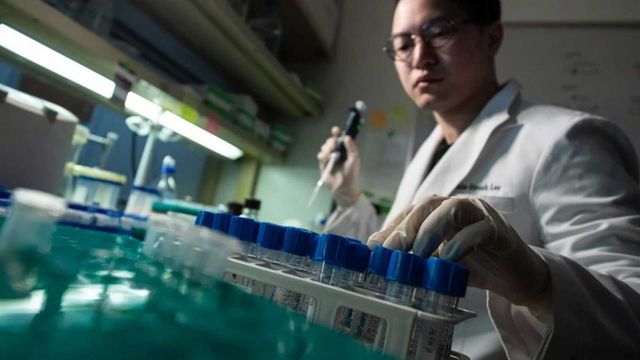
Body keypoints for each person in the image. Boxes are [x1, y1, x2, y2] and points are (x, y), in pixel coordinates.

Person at [317, 0, 640, 358]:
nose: (420, 57)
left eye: (439, 32)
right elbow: (400, 253)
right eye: (404, 43)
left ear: (491, 37)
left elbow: (631, 314)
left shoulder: (566, 139)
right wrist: (350, 198)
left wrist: (539, 284)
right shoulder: (427, 154)